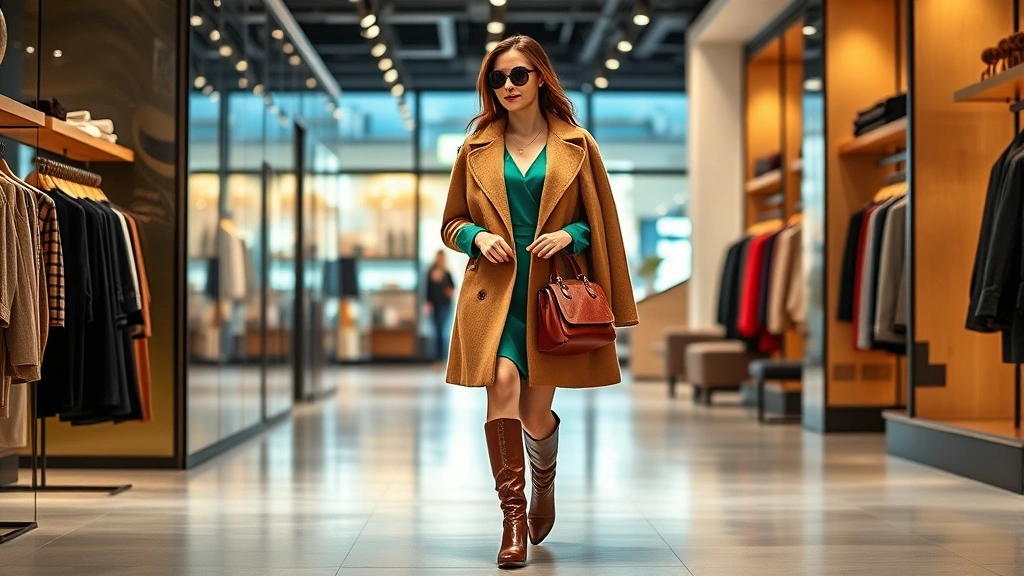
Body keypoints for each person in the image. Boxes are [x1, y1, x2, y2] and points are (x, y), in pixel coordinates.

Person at [440, 34, 639, 569]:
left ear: (540, 78)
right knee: (502, 384)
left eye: (518, 75)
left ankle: (543, 482)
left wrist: (569, 234)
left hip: (552, 296)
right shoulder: (475, 147)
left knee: (534, 411)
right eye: (497, 78)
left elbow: (602, 225)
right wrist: (477, 238)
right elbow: (451, 224)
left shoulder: (577, 144)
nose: (507, 86)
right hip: (495, 292)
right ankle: (512, 522)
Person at [424, 249, 455, 368]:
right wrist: (427, 303)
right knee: (435, 332)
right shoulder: (431, 272)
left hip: (445, 305)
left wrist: (444, 285)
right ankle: (436, 359)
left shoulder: (447, 274)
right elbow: (428, 289)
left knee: (442, 332)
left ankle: (442, 359)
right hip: (434, 306)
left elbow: (452, 289)